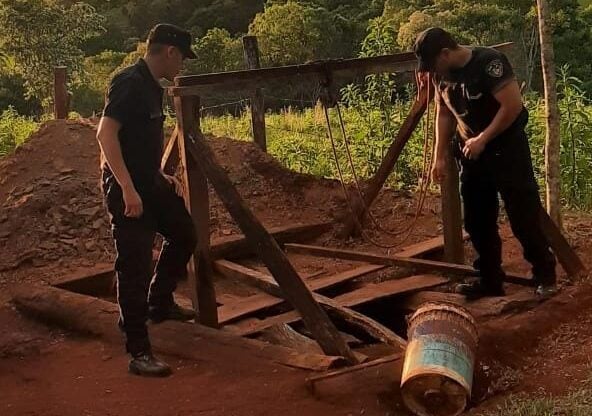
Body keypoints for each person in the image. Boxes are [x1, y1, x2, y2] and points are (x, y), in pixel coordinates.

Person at [413, 27, 557, 300]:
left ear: (446, 53)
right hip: (471, 153)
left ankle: (544, 275)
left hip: (506, 149)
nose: (432, 71)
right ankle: (490, 279)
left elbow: (512, 105)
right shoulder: (440, 76)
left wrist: (483, 138)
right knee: (477, 220)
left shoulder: (489, 63)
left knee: (522, 214)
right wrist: (439, 155)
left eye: (433, 64)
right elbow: (444, 114)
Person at [97, 23, 198, 377]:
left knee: (184, 233)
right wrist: (127, 188)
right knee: (134, 264)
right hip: (128, 189)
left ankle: (160, 302)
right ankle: (138, 350)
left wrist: (160, 175)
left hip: (149, 182)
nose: (181, 66)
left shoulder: (152, 87)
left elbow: (139, 139)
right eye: (182, 58)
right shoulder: (129, 83)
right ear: (169, 52)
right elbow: (105, 135)